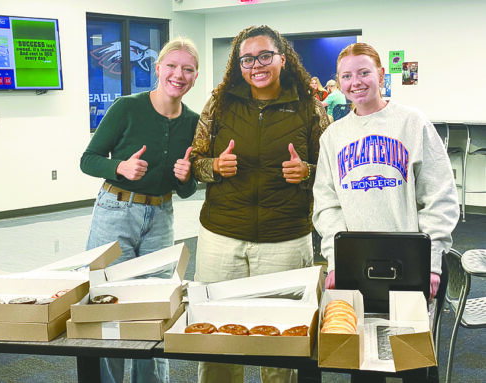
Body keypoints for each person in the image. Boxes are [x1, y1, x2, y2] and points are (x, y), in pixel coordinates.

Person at [312, 42, 460, 382]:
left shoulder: (412, 123)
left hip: (411, 264)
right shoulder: (333, 137)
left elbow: (440, 196)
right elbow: (326, 205)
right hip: (358, 264)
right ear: (338, 81)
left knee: (413, 362)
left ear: (381, 74)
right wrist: (336, 259)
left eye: (364, 72)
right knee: (363, 365)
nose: (355, 82)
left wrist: (432, 261)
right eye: (346, 76)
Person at [190, 25, 329, 383]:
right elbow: (196, 163)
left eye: (265, 56)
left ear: (283, 59)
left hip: (284, 238)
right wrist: (215, 167)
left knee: (281, 341)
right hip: (222, 236)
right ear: (238, 64)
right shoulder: (219, 102)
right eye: (247, 59)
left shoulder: (310, 107)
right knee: (217, 337)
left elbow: (331, 170)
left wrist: (307, 170)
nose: (256, 65)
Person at [80, 37, 200, 383]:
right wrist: (120, 167)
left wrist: (185, 178)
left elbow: (187, 190)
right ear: (158, 68)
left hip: (161, 217)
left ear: (195, 77)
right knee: (109, 304)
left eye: (188, 69)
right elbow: (88, 160)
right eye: (172, 66)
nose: (179, 74)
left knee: (155, 307)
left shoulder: (193, 122)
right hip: (115, 211)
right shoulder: (127, 107)